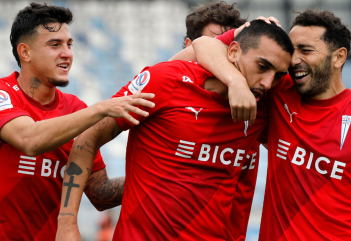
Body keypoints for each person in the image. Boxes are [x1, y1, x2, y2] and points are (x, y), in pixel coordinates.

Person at [189, 10, 351, 241]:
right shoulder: (278, 94)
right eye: (293, 51)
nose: (294, 60)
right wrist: (236, 78)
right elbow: (202, 46)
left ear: (339, 57)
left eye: (306, 50)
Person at [56, 19, 292, 241]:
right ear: (232, 51)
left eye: (278, 75)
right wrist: (67, 223)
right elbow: (90, 136)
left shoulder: (263, 108)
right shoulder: (166, 80)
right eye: (262, 66)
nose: (268, 82)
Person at [0, 3, 154, 240]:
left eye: (69, 45)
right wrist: (101, 108)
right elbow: (28, 139)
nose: (67, 54)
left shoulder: (76, 109)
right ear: (25, 52)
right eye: (55, 45)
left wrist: (158, 177)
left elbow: (99, 194)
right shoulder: (4, 95)